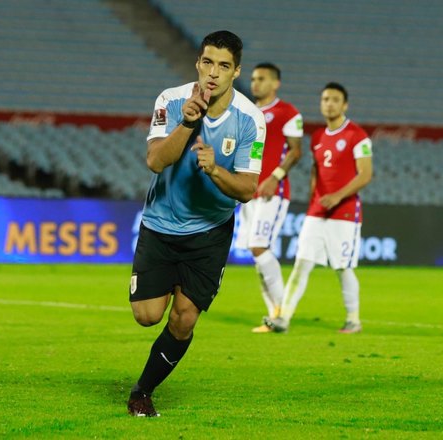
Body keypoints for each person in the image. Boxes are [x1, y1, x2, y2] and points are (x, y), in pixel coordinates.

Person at [127, 30, 266, 417]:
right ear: (198, 63)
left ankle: (143, 390)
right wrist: (188, 123)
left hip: (208, 232)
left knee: (184, 319)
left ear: (236, 72)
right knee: (147, 316)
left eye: (224, 66)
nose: (213, 73)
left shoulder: (251, 120)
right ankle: (169, 281)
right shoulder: (170, 100)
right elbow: (155, 161)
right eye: (208, 62)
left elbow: (248, 188)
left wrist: (216, 171)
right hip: (160, 225)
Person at [267, 82, 373, 334]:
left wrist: (336, 196)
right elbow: (316, 170)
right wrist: (315, 197)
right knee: (301, 264)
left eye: (335, 99)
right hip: (317, 212)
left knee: (342, 267)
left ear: (344, 104)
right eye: (325, 99)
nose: (329, 103)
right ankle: (283, 318)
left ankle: (353, 320)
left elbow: (365, 174)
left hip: (344, 213)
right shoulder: (317, 137)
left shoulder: (357, 136)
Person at [235, 63, 303, 333]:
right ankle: (274, 313)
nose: (255, 83)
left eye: (261, 79)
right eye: (253, 79)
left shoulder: (288, 112)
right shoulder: (247, 113)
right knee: (256, 252)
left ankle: (282, 313)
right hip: (249, 192)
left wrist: (275, 176)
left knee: (259, 247)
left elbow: (296, 151)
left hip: (272, 193)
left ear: (275, 84)